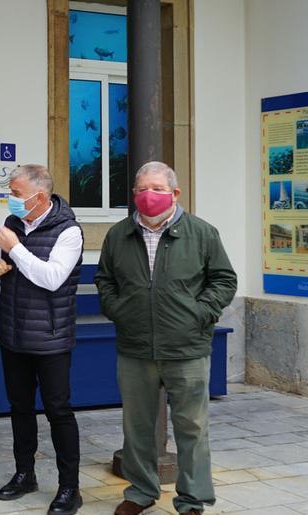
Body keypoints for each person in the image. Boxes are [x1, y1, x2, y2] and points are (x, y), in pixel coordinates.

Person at [96, 161, 237, 515]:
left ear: (174, 193)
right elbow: (105, 280)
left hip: (186, 347)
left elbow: (223, 280)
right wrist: (118, 310)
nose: (149, 196)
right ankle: (141, 492)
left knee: (192, 427)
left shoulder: (202, 233)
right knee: (137, 426)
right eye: (142, 189)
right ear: (133, 195)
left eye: (157, 189)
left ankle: (192, 499)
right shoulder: (118, 235)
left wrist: (200, 314)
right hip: (136, 346)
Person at [0, 164, 84, 515]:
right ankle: (24, 473)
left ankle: (69, 488)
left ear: (38, 197)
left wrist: (16, 249)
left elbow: (52, 278)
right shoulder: (12, 224)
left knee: (58, 410)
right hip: (13, 332)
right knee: (20, 408)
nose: (9, 200)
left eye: (14, 193)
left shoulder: (68, 231)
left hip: (51, 337)